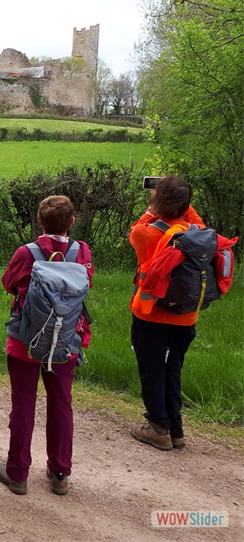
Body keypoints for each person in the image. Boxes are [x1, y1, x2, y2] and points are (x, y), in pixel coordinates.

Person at [0, 195, 93, 496]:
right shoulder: (82, 251)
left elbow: (8, 283)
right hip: (67, 338)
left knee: (24, 404)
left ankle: (17, 473)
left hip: (26, 339)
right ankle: (60, 473)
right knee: (61, 402)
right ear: (72, 222)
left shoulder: (27, 252)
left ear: (39, 221)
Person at [128, 175, 205, 451]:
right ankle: (176, 429)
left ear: (157, 201)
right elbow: (190, 215)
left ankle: (158, 428)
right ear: (185, 205)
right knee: (172, 369)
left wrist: (155, 207)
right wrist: (180, 198)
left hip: (151, 315)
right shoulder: (197, 233)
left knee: (152, 370)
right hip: (185, 317)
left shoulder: (145, 233)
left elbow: (137, 226)